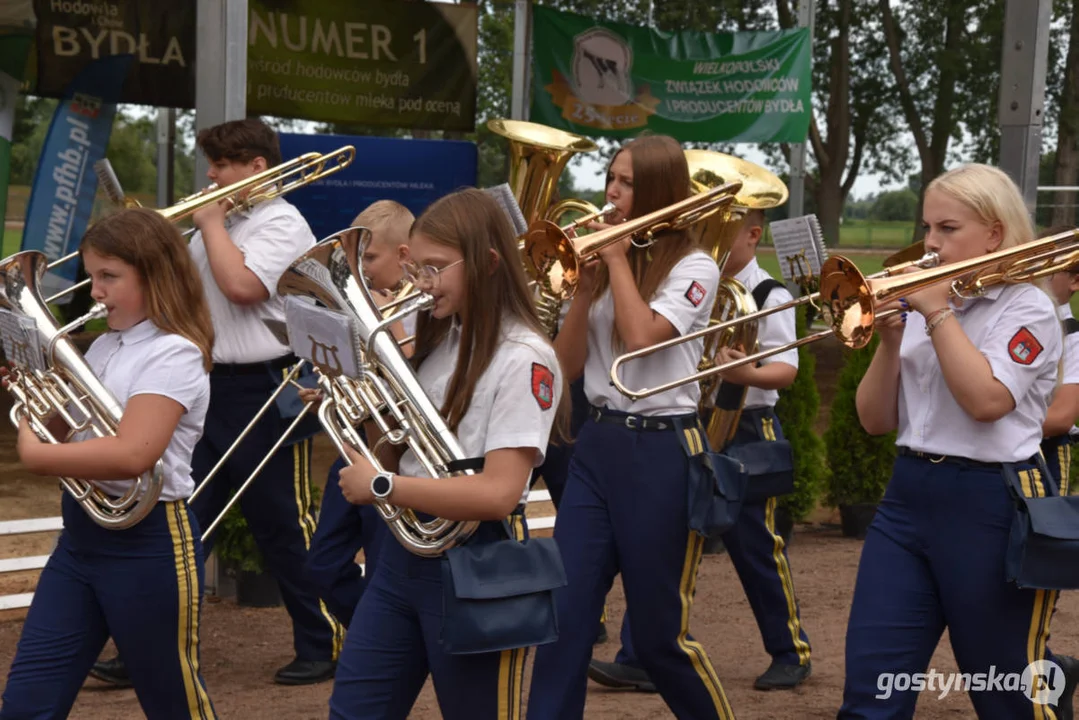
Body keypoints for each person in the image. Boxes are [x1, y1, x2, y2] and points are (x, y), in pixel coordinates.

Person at [92, 118, 343, 687]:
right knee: (177, 522)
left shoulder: (282, 222)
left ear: (257, 169)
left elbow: (243, 288)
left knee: (283, 524)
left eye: (222, 164)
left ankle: (323, 640)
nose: (210, 174)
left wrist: (206, 220)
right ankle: (147, 649)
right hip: (206, 383)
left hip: (265, 384)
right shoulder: (222, 223)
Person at [839, 163, 1079, 718]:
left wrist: (937, 311)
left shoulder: (1028, 307)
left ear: (994, 234)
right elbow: (875, 420)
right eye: (927, 228)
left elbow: (987, 401)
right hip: (908, 496)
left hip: (991, 501)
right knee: (871, 690)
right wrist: (889, 341)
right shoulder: (930, 303)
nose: (930, 244)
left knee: (1005, 693)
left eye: (948, 229)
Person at [325, 187, 567, 719]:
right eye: (419, 268)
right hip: (402, 560)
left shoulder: (526, 358)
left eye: (435, 268)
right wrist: (353, 404)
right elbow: (394, 453)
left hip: (480, 562)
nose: (421, 283)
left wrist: (383, 486)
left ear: (487, 263)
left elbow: (501, 492)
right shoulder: (441, 340)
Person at [528, 134, 735, 720]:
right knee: (563, 617)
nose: (612, 193)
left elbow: (644, 338)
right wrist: (585, 288)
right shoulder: (605, 265)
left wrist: (615, 259)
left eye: (627, 183)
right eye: (611, 179)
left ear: (660, 192)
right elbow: (568, 367)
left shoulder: (695, 266)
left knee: (659, 633)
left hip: (660, 452)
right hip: (599, 444)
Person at [1, 208, 217, 718]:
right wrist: (33, 399)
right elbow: (76, 431)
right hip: (82, 537)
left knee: (172, 704)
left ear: (155, 276)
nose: (94, 292)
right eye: (93, 276)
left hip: (150, 544)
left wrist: (36, 452)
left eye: (109, 277)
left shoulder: (175, 353)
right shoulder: (102, 345)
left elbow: (132, 455)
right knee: (27, 702)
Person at [588, 207, 813, 694]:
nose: (702, 240)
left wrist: (744, 373)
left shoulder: (768, 294)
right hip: (693, 425)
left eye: (720, 231)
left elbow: (786, 370)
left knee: (756, 546)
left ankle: (790, 649)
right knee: (668, 543)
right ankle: (640, 654)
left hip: (747, 426)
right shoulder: (682, 283)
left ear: (753, 236)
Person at [302, 199, 414, 627]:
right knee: (322, 566)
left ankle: (385, 639)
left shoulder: (418, 306)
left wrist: (391, 328)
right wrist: (335, 381)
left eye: (368, 257)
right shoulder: (364, 304)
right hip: (355, 450)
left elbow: (416, 376)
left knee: (388, 567)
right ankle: (379, 630)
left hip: (395, 459)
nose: (360, 268)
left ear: (403, 256)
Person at [1040, 225, 1079, 494]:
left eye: (1045, 270)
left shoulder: (1073, 337)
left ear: (1075, 281)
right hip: (996, 451)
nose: (1032, 278)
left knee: (1041, 530)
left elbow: (1061, 417)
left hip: (1047, 451)